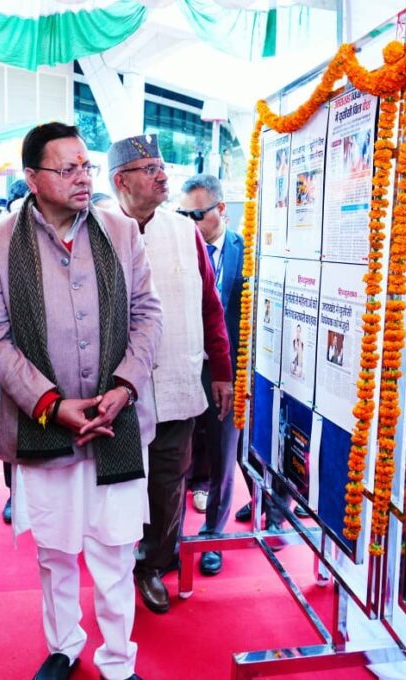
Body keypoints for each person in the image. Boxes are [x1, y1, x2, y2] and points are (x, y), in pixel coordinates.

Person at [0, 122, 161, 680]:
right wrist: (51, 405)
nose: (82, 178)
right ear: (32, 178)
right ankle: (64, 646)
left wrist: (124, 387)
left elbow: (148, 314)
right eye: (67, 168)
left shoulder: (120, 231)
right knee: (55, 552)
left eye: (86, 166)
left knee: (116, 550)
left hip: (116, 418)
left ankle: (118, 661)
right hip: (43, 423)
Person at [109, 134, 232, 614]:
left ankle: (154, 565)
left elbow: (210, 306)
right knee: (120, 483)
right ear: (121, 181)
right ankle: (116, 564)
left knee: (167, 481)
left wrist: (221, 370)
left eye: (162, 166)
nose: (163, 176)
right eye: (150, 169)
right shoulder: (97, 230)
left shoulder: (184, 232)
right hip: (117, 390)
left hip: (178, 380)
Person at [178, 174, 245, 577]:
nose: (189, 223)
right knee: (175, 455)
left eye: (197, 214)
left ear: (221, 209)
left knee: (222, 456)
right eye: (183, 214)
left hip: (227, 370)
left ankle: (212, 536)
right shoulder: (176, 249)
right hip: (182, 365)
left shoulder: (246, 252)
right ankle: (168, 540)